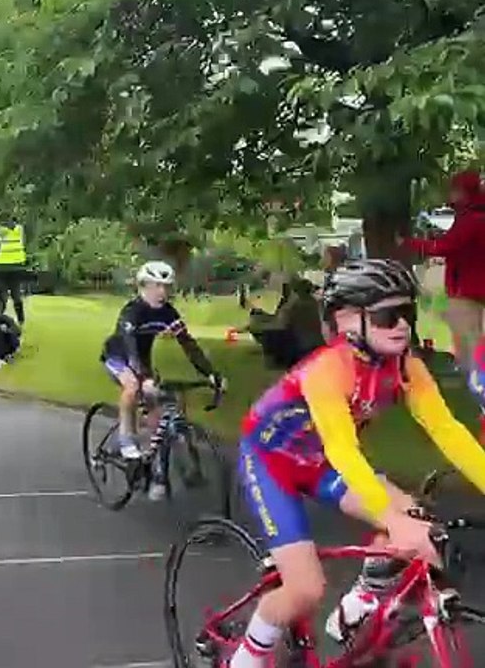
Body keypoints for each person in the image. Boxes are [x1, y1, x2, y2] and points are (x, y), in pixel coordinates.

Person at [229, 259, 485, 668]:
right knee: (305, 588)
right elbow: (343, 450)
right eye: (387, 316)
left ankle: (360, 601)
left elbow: (449, 433)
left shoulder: (407, 367)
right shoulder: (327, 370)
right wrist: (389, 517)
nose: (402, 325)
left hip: (319, 463)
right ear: (347, 320)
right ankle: (247, 657)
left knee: (417, 519)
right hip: (272, 462)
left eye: (408, 313)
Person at [101, 261, 221, 499]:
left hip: (142, 359)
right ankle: (126, 439)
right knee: (133, 386)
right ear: (143, 286)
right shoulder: (132, 312)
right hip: (119, 356)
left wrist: (210, 373)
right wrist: (142, 377)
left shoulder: (168, 313)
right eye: (156, 286)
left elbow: (188, 344)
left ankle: (157, 471)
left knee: (158, 412)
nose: (162, 292)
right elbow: (130, 347)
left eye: (166, 287)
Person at [403, 170, 485, 372]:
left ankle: (472, 378)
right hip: (475, 288)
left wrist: (407, 243)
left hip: (465, 291)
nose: (450, 194)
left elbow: (444, 246)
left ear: (464, 192)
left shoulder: (470, 219)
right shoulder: (477, 215)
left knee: (467, 341)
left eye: (454, 190)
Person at [0, 215, 27, 324]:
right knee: (16, 294)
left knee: (2, 295)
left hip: (2, 266)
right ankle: (20, 319)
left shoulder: (0, 231)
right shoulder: (19, 230)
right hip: (16, 265)